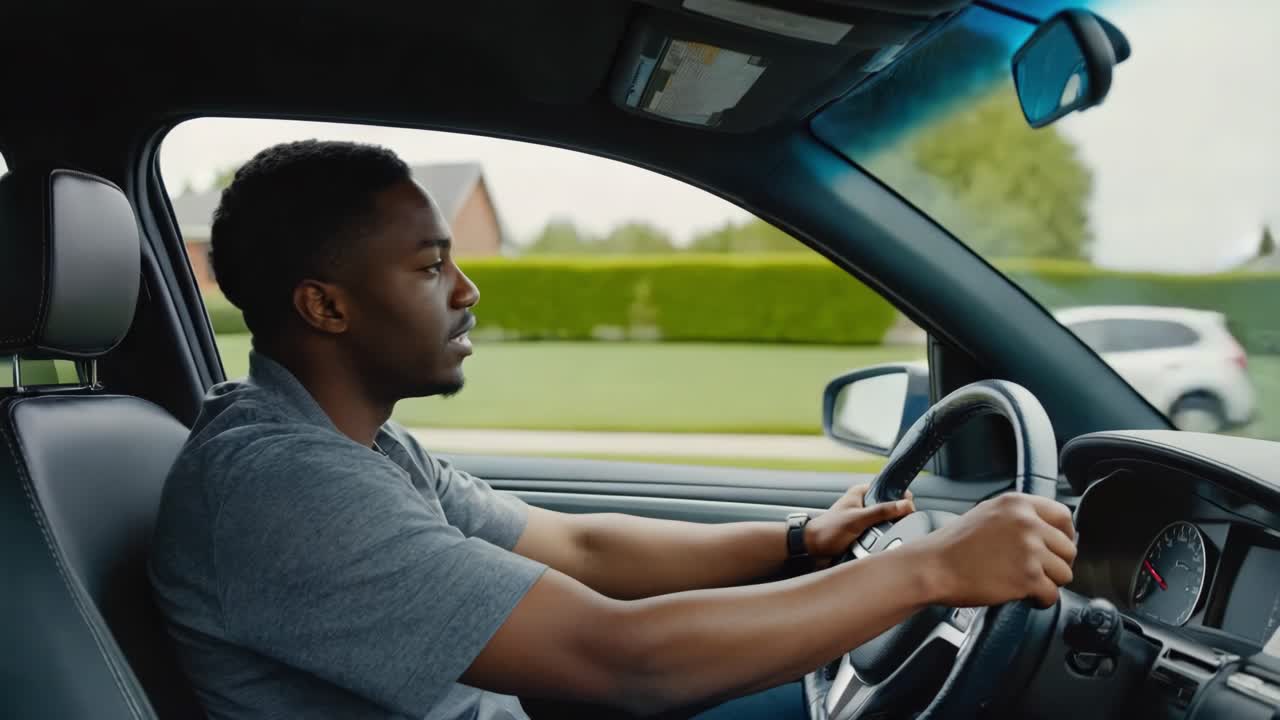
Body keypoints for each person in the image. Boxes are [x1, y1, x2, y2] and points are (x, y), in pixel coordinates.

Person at [149, 140, 1077, 720]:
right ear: (326, 307)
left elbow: (582, 545)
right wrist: (933, 571)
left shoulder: (358, 448)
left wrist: (801, 541)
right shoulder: (284, 488)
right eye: (432, 267)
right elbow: (625, 661)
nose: (469, 291)